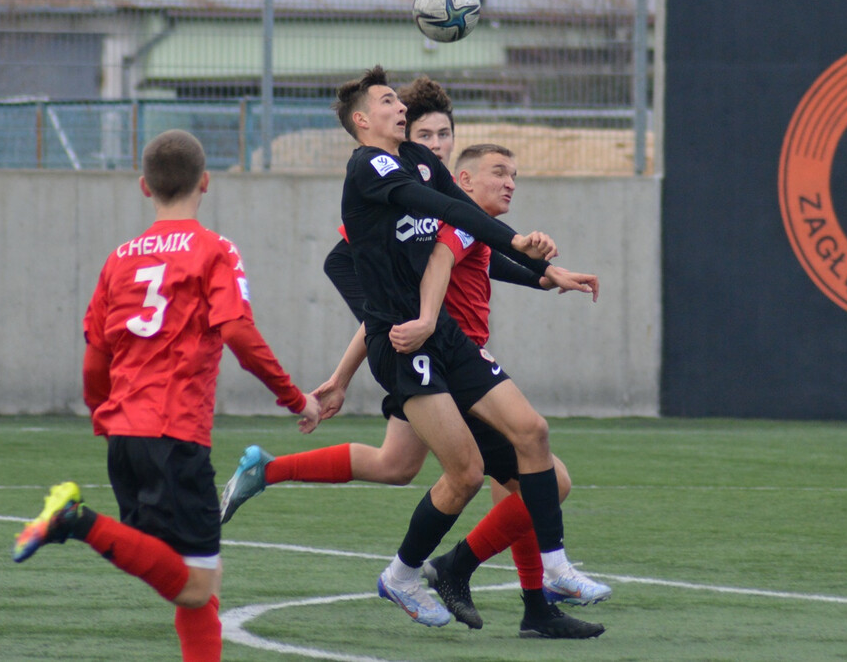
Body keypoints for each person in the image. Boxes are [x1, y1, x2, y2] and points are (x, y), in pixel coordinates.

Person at [220, 80, 609, 639]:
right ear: (360, 121)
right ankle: (414, 576)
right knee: (468, 473)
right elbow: (431, 215)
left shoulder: (421, 162)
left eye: (425, 120)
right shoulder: (369, 170)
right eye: (389, 104)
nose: (402, 110)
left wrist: (540, 269)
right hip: (404, 344)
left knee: (528, 436)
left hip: (443, 337)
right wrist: (377, 325)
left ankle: (551, 570)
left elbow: (457, 218)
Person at [10, 129, 321, 662]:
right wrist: (296, 399)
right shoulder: (215, 249)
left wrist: (104, 413)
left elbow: (95, 358)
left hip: (126, 433)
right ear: (205, 182)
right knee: (198, 584)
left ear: (143, 187)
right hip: (175, 433)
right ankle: (74, 521)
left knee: (196, 579)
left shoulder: (120, 258)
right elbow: (239, 334)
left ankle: (80, 522)